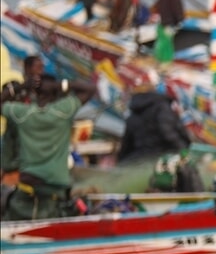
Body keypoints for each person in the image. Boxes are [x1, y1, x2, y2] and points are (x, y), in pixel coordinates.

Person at [1, 75, 97, 221]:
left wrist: (22, 86)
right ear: (56, 94)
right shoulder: (63, 111)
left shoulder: (23, 114)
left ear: (35, 94)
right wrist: (61, 85)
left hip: (27, 185)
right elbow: (90, 89)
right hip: (55, 188)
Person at [117, 88, 192, 161]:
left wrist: (120, 162)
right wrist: (183, 149)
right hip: (165, 154)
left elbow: (126, 144)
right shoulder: (163, 108)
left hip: (141, 157)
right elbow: (168, 132)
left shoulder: (133, 115)